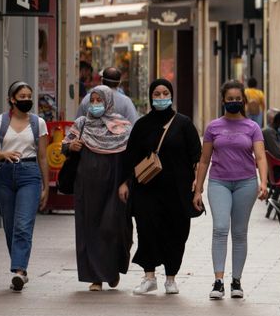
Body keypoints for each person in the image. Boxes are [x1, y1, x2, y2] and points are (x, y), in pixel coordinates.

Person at [120, 79, 202, 296]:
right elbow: (130, 157)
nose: (161, 97)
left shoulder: (184, 123)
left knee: (176, 232)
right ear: (150, 97)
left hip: (177, 190)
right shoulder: (142, 125)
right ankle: (149, 277)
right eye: (157, 94)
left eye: (165, 93)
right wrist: (124, 183)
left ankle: (171, 278)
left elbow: (197, 156)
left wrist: (197, 184)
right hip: (147, 189)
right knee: (147, 230)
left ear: (172, 95)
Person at [193, 80, 269, 300]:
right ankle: (218, 282)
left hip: (246, 183)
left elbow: (261, 157)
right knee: (220, 228)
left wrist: (263, 182)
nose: (234, 102)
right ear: (223, 100)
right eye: (230, 99)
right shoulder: (213, 127)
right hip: (219, 182)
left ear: (243, 100)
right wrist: (198, 189)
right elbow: (204, 160)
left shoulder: (252, 127)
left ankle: (236, 280)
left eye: (238, 99)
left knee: (239, 232)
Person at [63, 85, 133, 291]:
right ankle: (96, 277)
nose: (95, 104)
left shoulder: (122, 126)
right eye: (92, 100)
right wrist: (71, 146)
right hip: (87, 186)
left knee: (113, 228)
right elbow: (64, 146)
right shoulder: (82, 123)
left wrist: (126, 183)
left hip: (114, 185)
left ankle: (112, 269)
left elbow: (131, 157)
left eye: (99, 100)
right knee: (90, 230)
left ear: (108, 101)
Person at [0, 81, 50, 292]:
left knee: (23, 224)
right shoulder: (1, 121)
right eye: (22, 97)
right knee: (10, 225)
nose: (26, 100)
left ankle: (20, 272)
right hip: (5, 175)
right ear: (12, 99)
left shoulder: (39, 123)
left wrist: (46, 186)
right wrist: (4, 153)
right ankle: (19, 266)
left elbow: (43, 156)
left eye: (29, 96)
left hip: (29, 174)